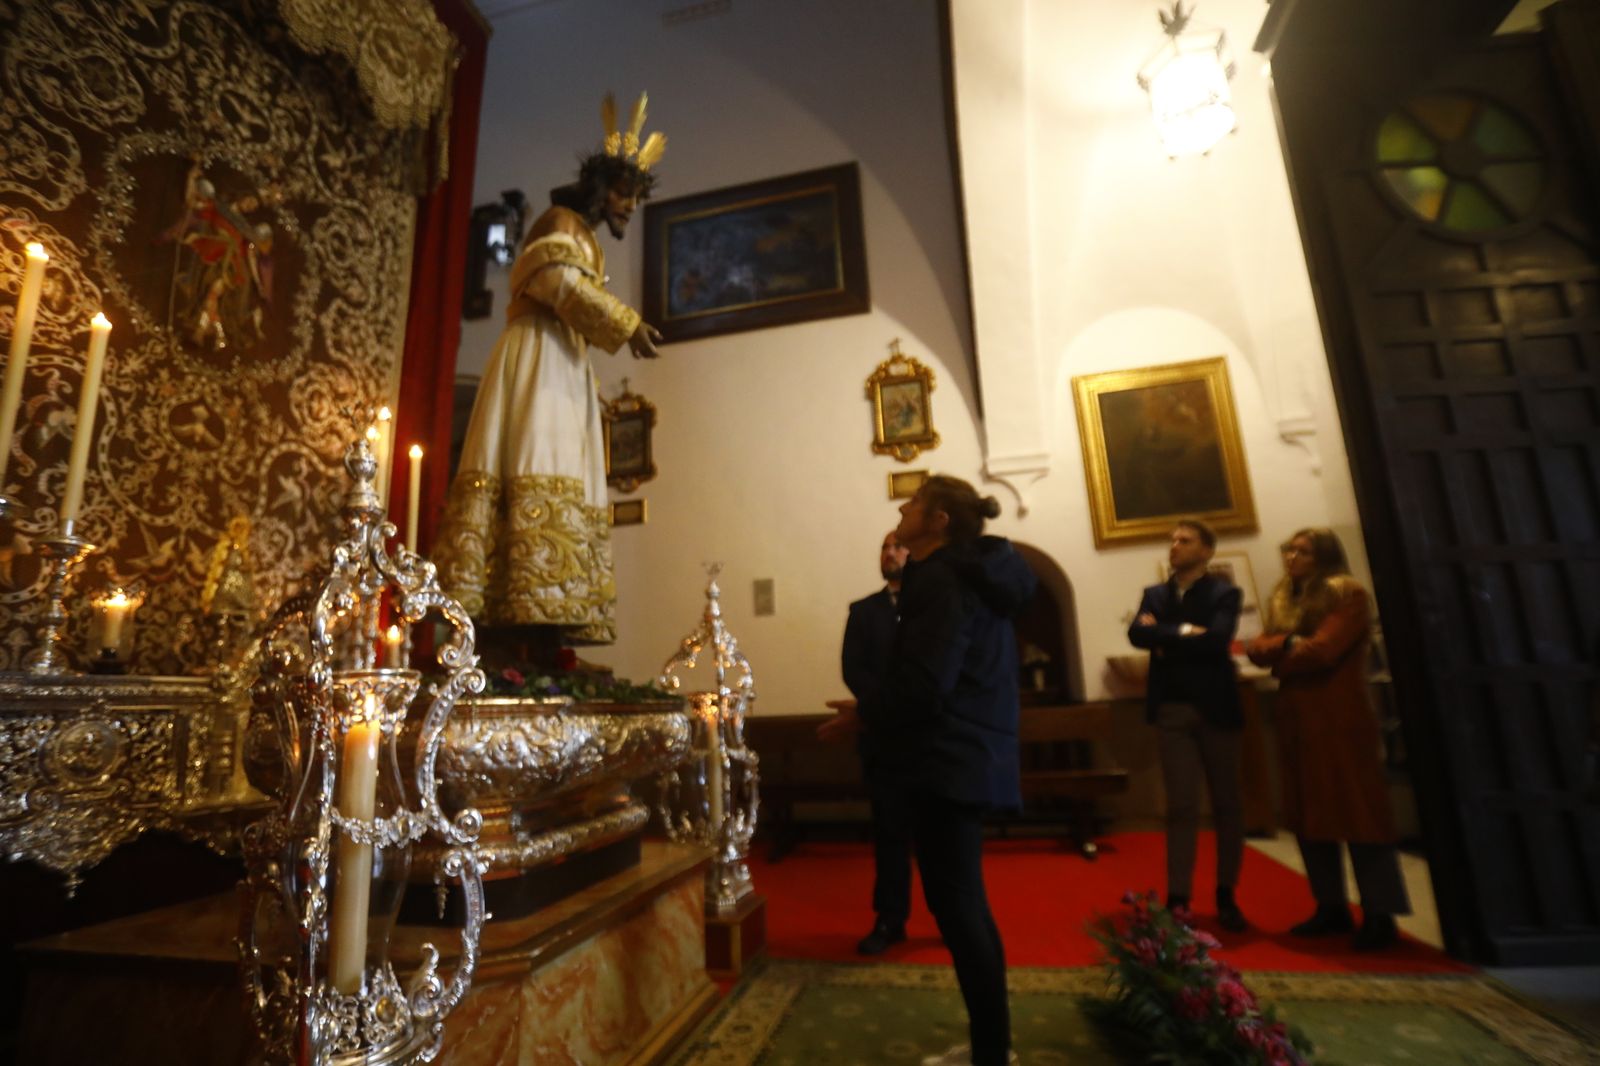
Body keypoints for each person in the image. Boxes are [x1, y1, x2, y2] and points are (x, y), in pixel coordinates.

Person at [433, 92, 667, 645]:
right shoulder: (558, 221)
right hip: (538, 356)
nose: (628, 206)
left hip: (564, 360)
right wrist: (626, 324)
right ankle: (517, 612)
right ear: (597, 188)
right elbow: (556, 284)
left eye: (634, 197)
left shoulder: (581, 235)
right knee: (534, 458)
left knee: (562, 466)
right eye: (621, 192)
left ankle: (551, 610)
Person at [880, 476, 1035, 1066]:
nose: (902, 507)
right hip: (968, 753)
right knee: (962, 904)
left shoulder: (943, 578)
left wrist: (867, 715)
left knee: (960, 907)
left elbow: (926, 683)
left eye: (914, 502)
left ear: (940, 520)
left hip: (946, 757)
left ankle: (992, 1055)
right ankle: (991, 1048)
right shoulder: (973, 576)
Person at [1246, 528, 1410, 951]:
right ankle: (1330, 905)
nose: (1292, 557)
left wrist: (1280, 650)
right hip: (1298, 717)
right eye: (1290, 549)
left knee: (1358, 811)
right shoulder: (1285, 596)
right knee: (1307, 812)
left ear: (1324, 557)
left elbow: (1323, 650)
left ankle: (1380, 912)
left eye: (1302, 551)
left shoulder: (1348, 594)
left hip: (1339, 715)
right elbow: (1258, 648)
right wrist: (1285, 643)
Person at [1127, 520, 1249, 932]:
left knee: (1227, 804)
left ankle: (1226, 892)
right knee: (1180, 805)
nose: (1174, 546)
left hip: (1216, 706)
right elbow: (1136, 636)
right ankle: (1179, 895)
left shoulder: (1223, 592)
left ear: (1207, 550)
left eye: (1185, 540)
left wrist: (1165, 639)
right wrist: (1182, 630)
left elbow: (1217, 638)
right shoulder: (1155, 594)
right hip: (1172, 708)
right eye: (1172, 541)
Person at [817, 531, 915, 955]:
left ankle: (951, 918)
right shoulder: (864, 611)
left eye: (897, 546)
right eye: (883, 547)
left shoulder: (930, 606)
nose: (889, 552)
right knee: (889, 835)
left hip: (928, 737)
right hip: (882, 739)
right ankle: (890, 919)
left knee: (936, 837)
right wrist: (885, 705)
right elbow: (852, 668)